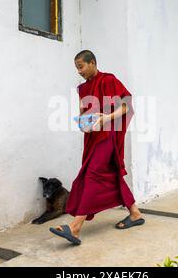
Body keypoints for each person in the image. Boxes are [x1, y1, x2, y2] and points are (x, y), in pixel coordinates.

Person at [49, 50, 145, 245]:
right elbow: (83, 113)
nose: (79, 71)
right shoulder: (82, 89)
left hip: (107, 136)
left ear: (92, 63)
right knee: (110, 175)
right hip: (93, 138)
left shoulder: (109, 80)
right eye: (76, 68)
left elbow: (127, 105)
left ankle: (75, 228)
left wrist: (106, 118)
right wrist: (83, 124)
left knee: (92, 174)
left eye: (81, 66)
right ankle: (135, 213)